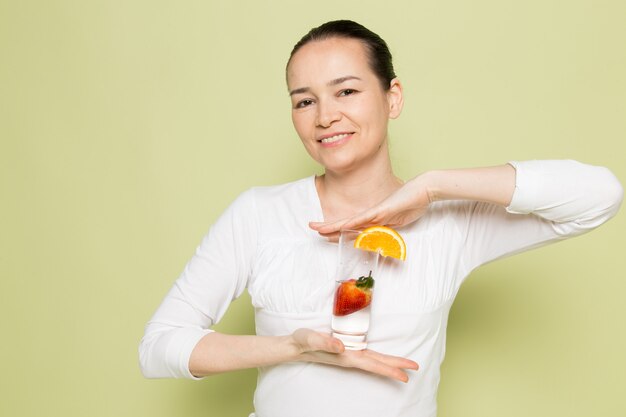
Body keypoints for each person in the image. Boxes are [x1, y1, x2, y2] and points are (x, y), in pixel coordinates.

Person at [139, 20, 623, 417]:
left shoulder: (450, 223)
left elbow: (600, 195)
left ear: (392, 98)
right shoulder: (259, 214)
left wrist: (433, 186)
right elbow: (159, 347)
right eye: (304, 100)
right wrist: (293, 348)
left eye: (346, 91)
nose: (325, 116)